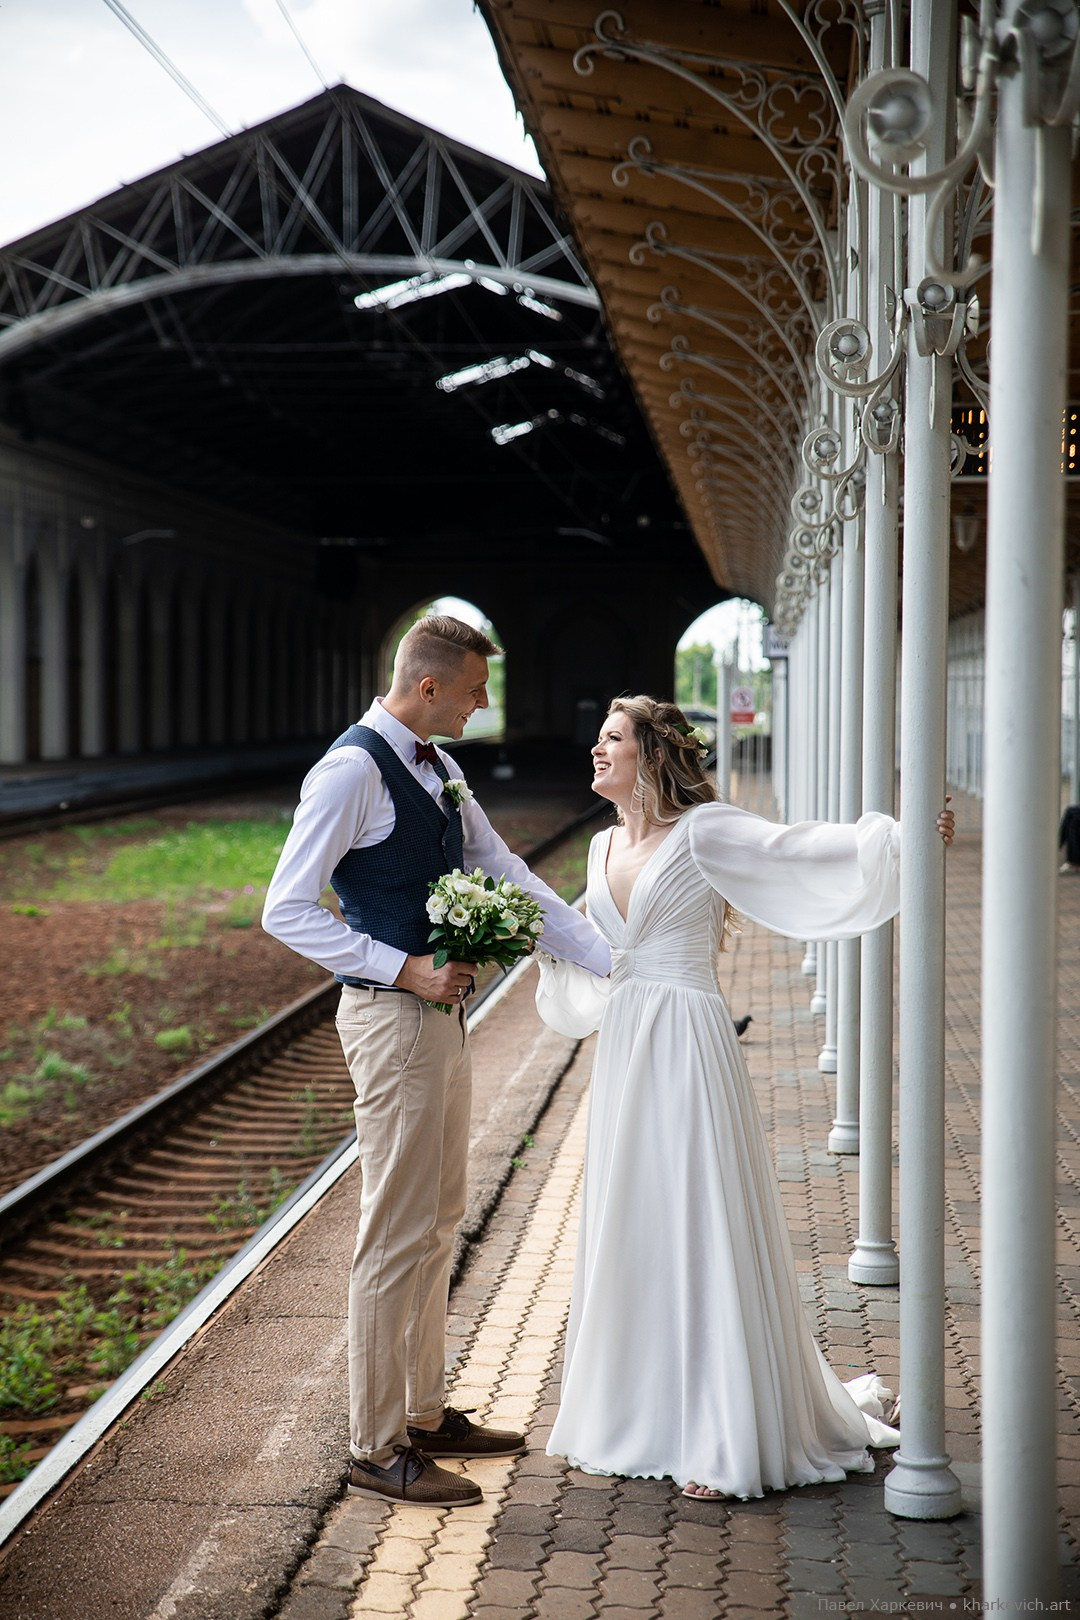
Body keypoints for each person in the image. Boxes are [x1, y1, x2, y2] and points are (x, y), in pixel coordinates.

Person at [535, 694, 955, 1500]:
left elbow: (796, 850)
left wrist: (898, 841)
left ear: (651, 757)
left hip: (689, 1042)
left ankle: (720, 1431)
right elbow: (599, 960)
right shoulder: (596, 848)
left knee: (698, 1214)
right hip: (627, 1047)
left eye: (612, 738)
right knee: (638, 1217)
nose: (596, 748)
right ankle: (636, 1409)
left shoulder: (704, 831)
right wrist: (541, 947)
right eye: (598, 736)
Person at [262, 615, 610, 1508]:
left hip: (439, 1022)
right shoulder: (349, 771)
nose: (485, 702)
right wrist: (402, 966)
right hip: (389, 1018)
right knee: (394, 1228)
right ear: (429, 688)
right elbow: (286, 908)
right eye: (475, 688)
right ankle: (376, 1445)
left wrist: (611, 958)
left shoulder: (444, 769)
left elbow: (508, 870)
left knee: (440, 1217)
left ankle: (422, 1412)